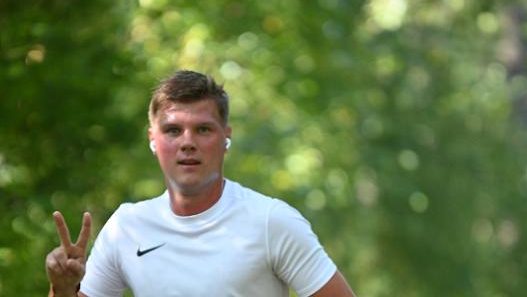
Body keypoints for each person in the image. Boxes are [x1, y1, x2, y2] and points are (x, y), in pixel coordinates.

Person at [45, 70, 356, 297]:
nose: (187, 143)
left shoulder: (271, 222)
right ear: (153, 140)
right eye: (173, 130)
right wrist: (62, 289)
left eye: (203, 129)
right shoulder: (126, 227)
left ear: (226, 137)